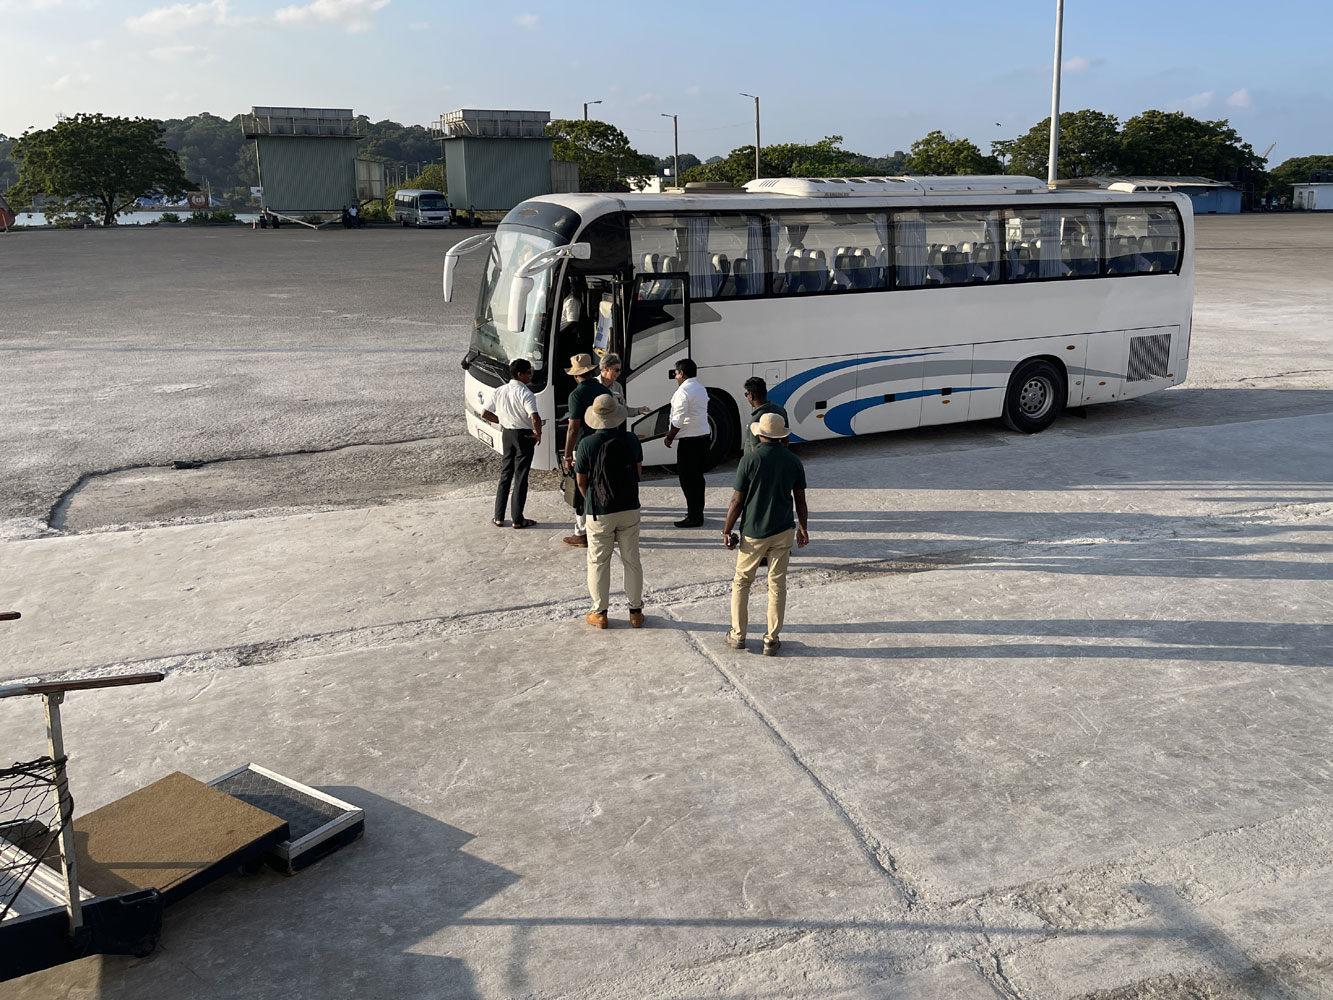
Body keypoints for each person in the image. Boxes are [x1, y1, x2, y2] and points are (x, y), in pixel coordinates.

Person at [722, 413, 809, 656]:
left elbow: (737, 501)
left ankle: (738, 635)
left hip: (753, 533)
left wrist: (727, 530)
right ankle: (771, 639)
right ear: (782, 436)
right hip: (783, 530)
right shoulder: (793, 461)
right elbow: (800, 500)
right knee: (777, 584)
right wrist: (803, 527)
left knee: (742, 582)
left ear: (760, 434)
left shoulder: (749, 460)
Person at [575, 394, 645, 629]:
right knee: (631, 560)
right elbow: (638, 473)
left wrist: (592, 499)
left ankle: (600, 613)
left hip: (600, 510)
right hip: (629, 507)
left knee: (598, 562)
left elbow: (581, 481)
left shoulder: (587, 444)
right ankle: (635, 612)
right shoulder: (632, 439)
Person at [481, 358, 542, 529]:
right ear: (520, 374)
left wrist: (502, 421)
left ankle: (498, 517)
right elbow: (534, 417)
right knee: (521, 477)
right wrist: (538, 434)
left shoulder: (499, 390)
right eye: (528, 372)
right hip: (524, 435)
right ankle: (517, 518)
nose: (530, 376)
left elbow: (485, 413)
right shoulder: (526, 393)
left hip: (507, 433)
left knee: (505, 474)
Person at [561, 353, 611, 547]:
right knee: (602, 484)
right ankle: (603, 527)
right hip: (604, 443)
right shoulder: (603, 390)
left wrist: (567, 455)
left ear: (576, 375)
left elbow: (573, 428)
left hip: (583, 446)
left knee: (580, 487)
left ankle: (582, 532)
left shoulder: (576, 395)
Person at [662, 357, 710, 527]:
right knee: (697, 478)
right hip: (703, 437)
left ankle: (694, 517)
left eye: (676, 373)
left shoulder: (682, 392)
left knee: (688, 479)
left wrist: (669, 437)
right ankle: (696, 511)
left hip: (690, 441)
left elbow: (678, 420)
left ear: (682, 373)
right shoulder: (701, 388)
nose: (675, 377)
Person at [742, 377, 787, 453]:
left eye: (746, 394)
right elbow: (785, 441)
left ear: (751, 396)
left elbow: (755, 451)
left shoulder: (754, 422)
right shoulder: (781, 410)